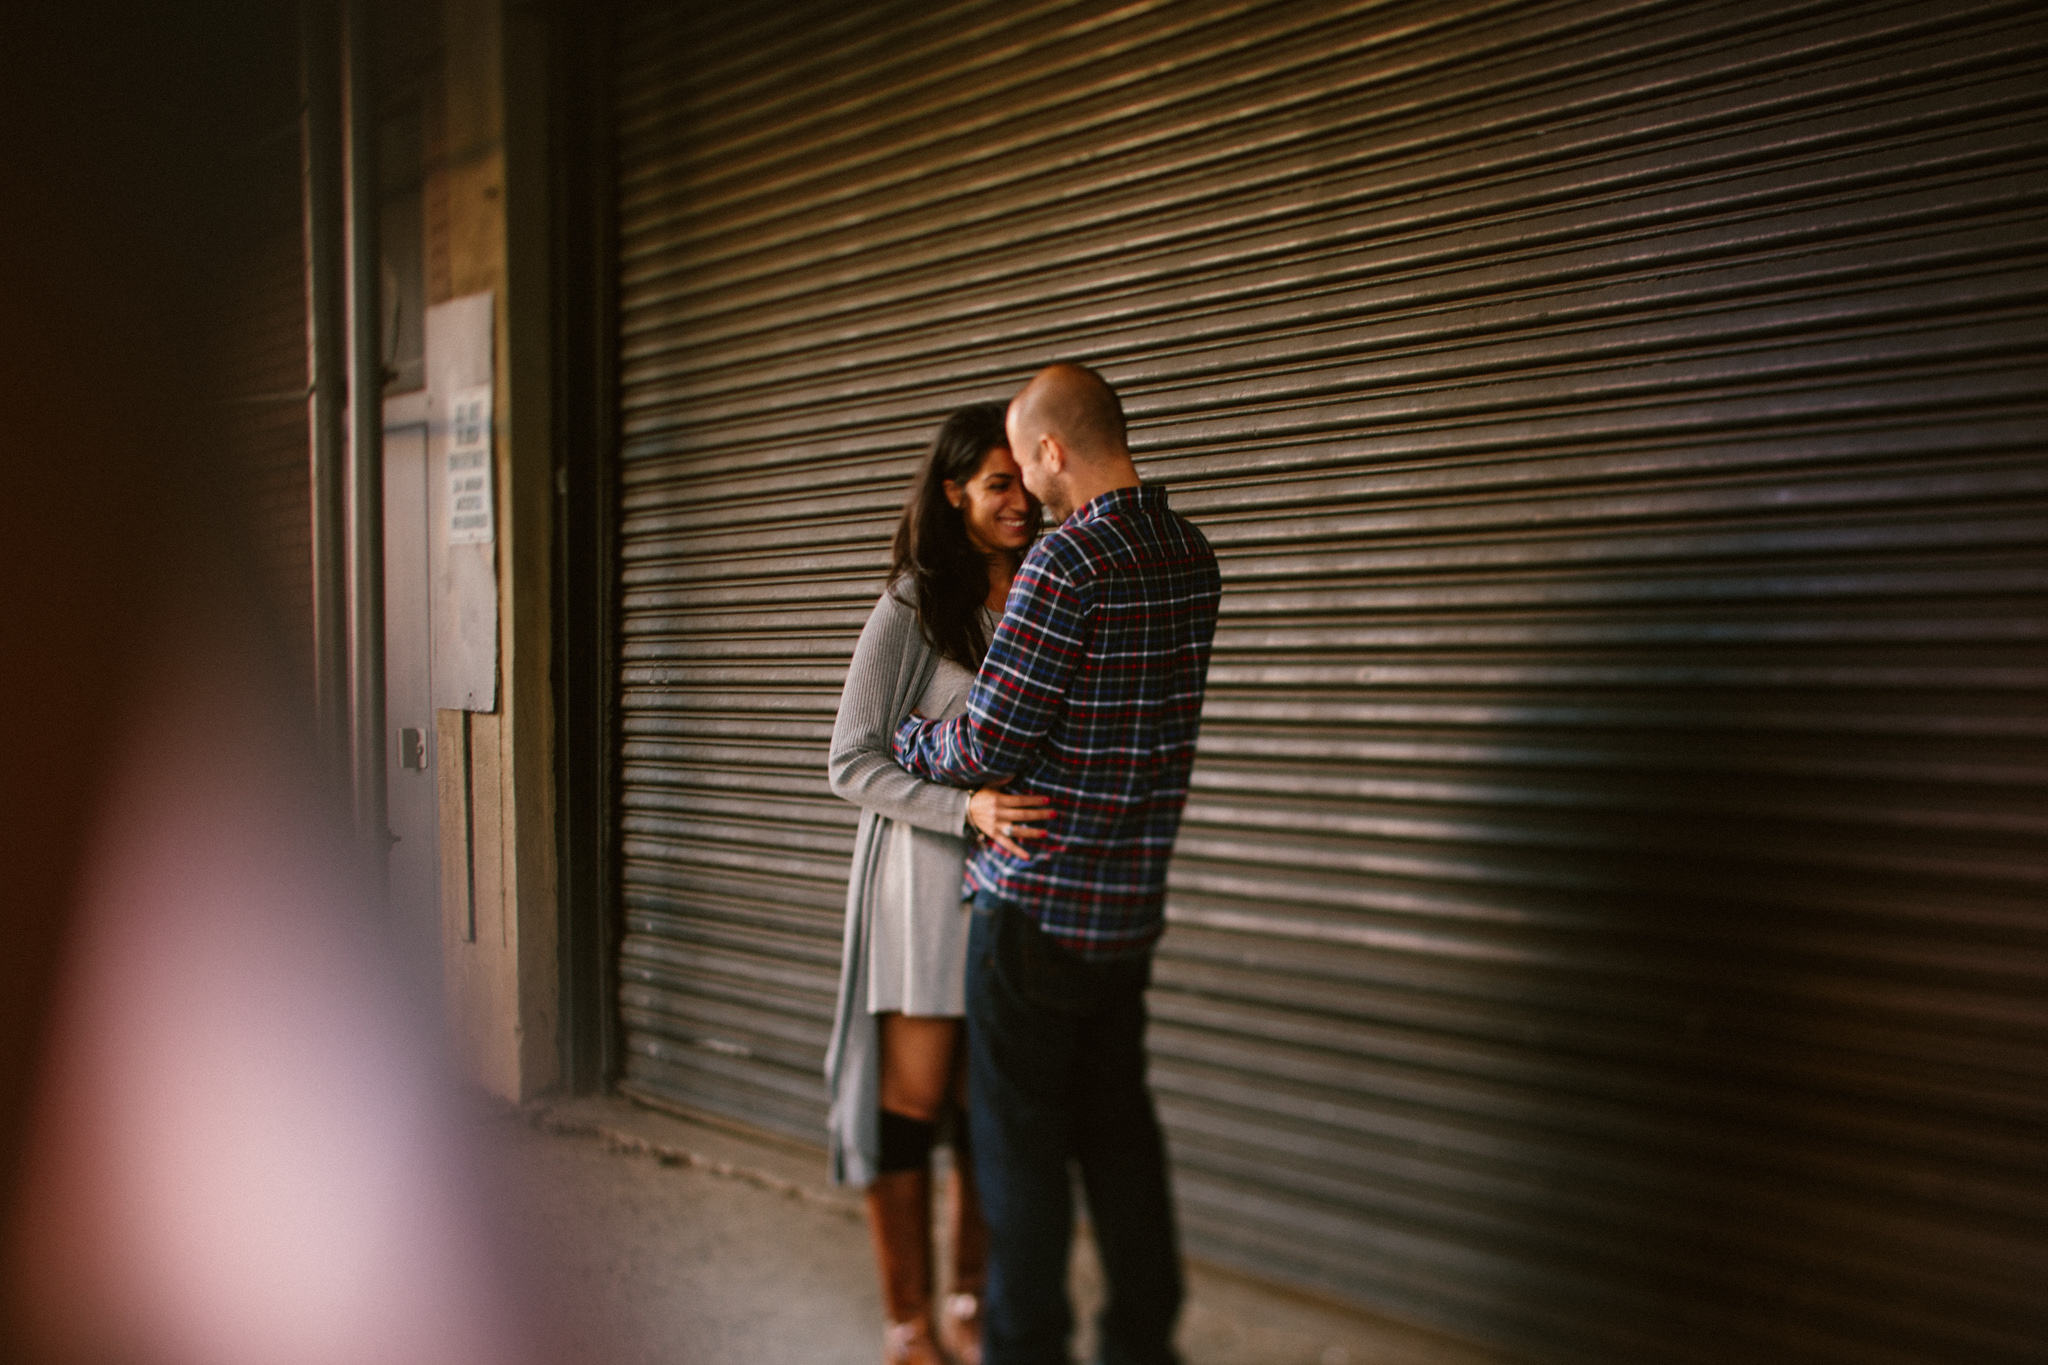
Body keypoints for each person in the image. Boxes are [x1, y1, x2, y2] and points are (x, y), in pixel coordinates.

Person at [893, 364, 1222, 1365]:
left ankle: (1024, 1349)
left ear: (1047, 453)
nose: (1023, 488)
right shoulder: (1188, 553)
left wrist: (914, 741)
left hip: (1032, 911)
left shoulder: (1067, 565)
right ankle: (1139, 1342)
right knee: (1118, 1134)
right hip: (1125, 912)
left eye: (1020, 458)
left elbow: (990, 742)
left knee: (1020, 1157)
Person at [826, 402, 1055, 1365]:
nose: (1018, 501)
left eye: (1025, 484)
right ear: (954, 489)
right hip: (923, 883)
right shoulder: (916, 603)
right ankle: (908, 1319)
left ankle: (970, 1302)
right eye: (997, 485)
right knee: (914, 1102)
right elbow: (850, 760)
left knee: (984, 1104)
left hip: (1020, 883)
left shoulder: (1048, 585)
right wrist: (964, 809)